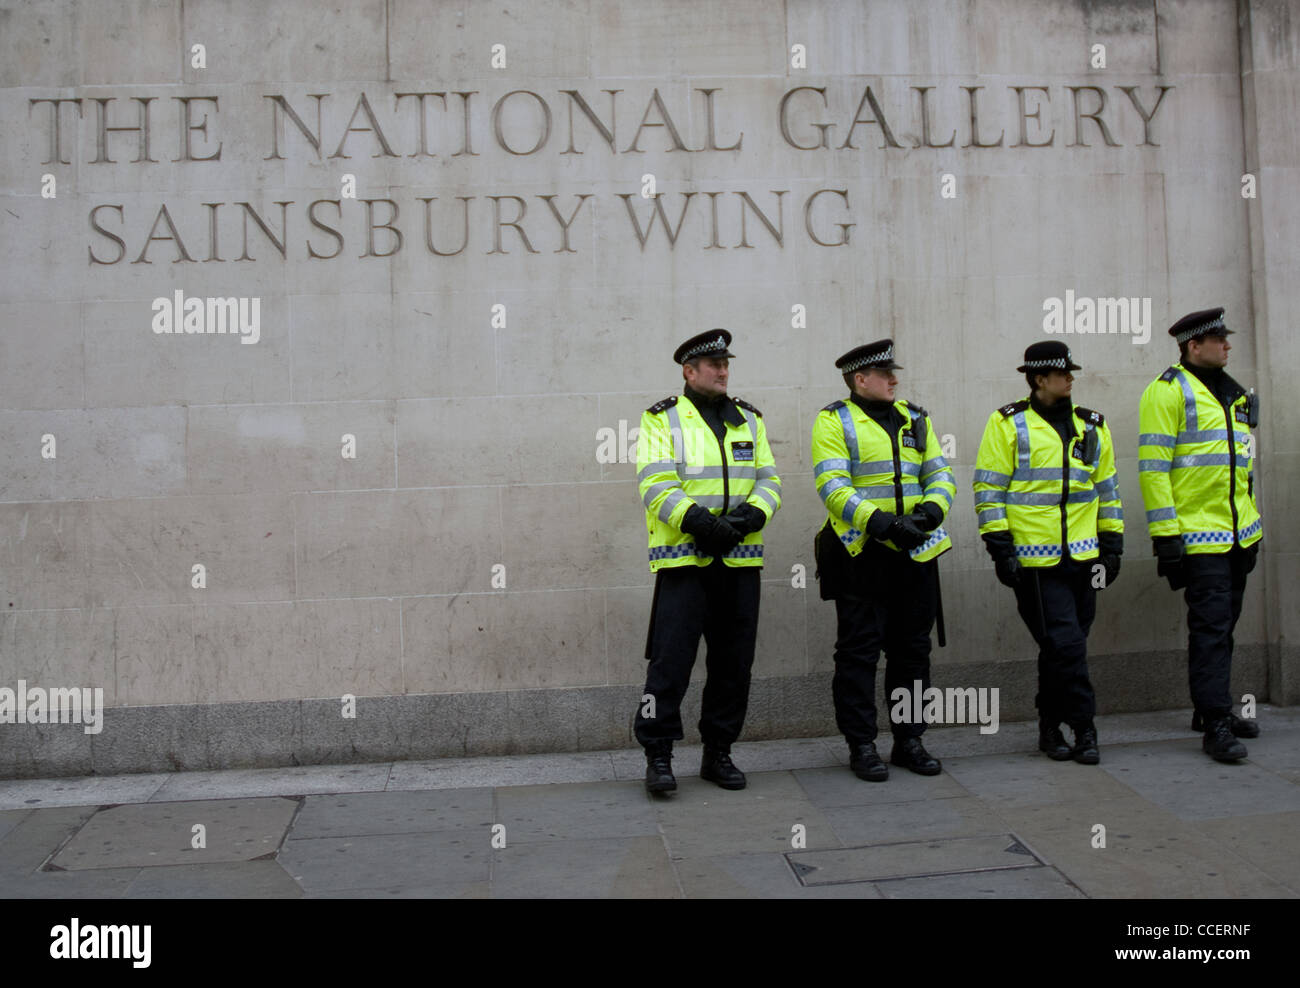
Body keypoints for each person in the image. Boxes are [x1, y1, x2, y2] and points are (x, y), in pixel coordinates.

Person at [634, 329, 782, 794]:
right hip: (685, 564)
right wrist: (702, 523)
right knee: (669, 665)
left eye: (726, 364)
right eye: (713, 364)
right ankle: (658, 756)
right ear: (688, 370)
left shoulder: (749, 419)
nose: (723, 371)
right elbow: (656, 484)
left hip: (739, 563)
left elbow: (769, 479)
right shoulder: (662, 418)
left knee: (733, 665)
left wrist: (750, 516)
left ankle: (719, 753)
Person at [811, 340, 955, 781]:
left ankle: (909, 740)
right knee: (858, 655)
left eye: (894, 372)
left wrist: (932, 511)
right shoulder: (834, 421)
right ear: (860, 379)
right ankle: (862, 745)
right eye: (885, 373)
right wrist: (885, 524)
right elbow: (833, 485)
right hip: (862, 554)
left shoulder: (916, 417)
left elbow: (940, 472)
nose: (895, 379)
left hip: (915, 554)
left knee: (913, 653)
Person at [973, 341, 1123, 764]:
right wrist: (1000, 548)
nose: (1071, 378)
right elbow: (988, 489)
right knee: (1067, 645)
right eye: (1063, 373)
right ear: (1040, 379)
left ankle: (1048, 727)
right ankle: (1084, 728)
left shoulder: (1092, 424)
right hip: (1035, 562)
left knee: (1063, 648)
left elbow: (1107, 489)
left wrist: (1111, 546)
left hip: (1084, 556)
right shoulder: (1008, 423)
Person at [1138, 308, 1262, 763]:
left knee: (1224, 628)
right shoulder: (1166, 392)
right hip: (1198, 537)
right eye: (1219, 339)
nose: (1228, 345)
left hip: (1238, 535)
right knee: (1210, 630)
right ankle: (1215, 726)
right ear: (1194, 346)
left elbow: (1241, 467)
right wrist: (1166, 537)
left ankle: (1211, 709)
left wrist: (1253, 528)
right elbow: (1153, 470)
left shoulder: (1232, 392)